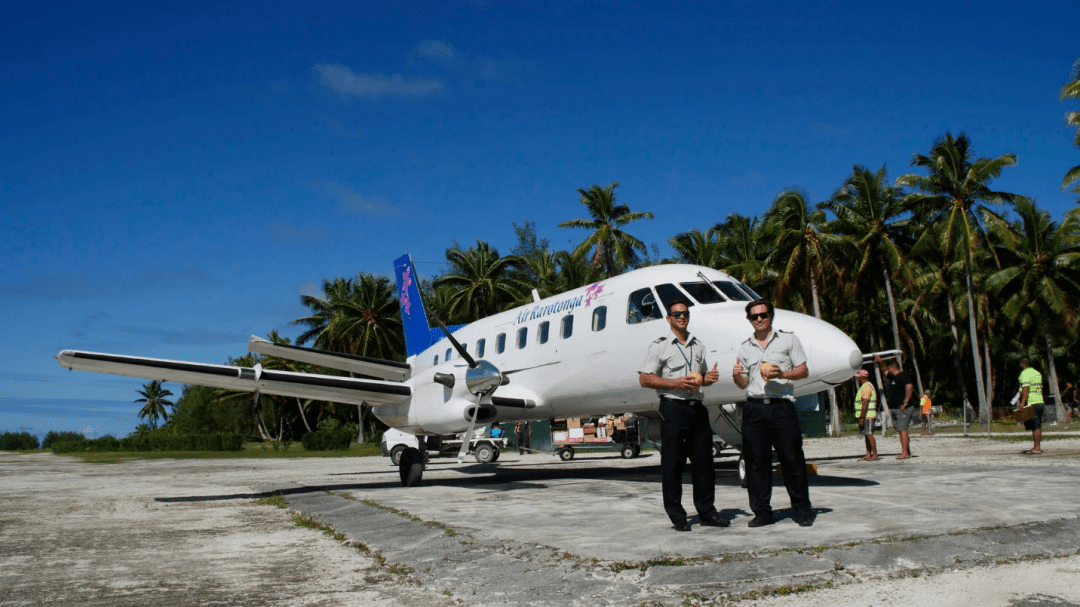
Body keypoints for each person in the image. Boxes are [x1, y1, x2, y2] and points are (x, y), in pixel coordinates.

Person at [639, 299, 725, 532]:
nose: (681, 316)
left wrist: (709, 378)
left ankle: (707, 512)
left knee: (704, 464)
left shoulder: (698, 346)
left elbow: (702, 376)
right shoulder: (660, 346)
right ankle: (678, 516)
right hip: (673, 407)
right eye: (676, 313)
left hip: (697, 408)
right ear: (668, 319)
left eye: (685, 313)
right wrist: (675, 382)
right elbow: (645, 378)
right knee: (673, 465)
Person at [732, 299, 813, 528]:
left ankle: (802, 510)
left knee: (792, 460)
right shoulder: (745, 347)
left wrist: (783, 374)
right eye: (754, 316)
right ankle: (762, 512)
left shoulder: (788, 339)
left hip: (781, 407)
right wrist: (737, 376)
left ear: (771, 316)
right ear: (749, 319)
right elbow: (743, 383)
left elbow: (803, 371)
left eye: (763, 315)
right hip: (754, 408)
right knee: (756, 463)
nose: (759, 319)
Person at [875, 355, 915, 459]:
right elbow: (884, 369)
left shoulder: (902, 376)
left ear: (892, 368)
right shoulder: (892, 377)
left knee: (903, 430)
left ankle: (905, 453)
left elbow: (909, 387)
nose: (887, 371)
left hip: (902, 408)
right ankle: (906, 451)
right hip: (894, 407)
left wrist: (905, 402)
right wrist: (880, 360)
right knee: (901, 430)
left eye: (889, 369)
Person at [1018, 358, 1045, 454]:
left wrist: (1022, 403)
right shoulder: (1037, 373)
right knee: (1035, 425)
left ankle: (1037, 448)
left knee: (1036, 425)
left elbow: (1025, 389)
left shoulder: (1025, 374)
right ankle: (1035, 446)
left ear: (1022, 364)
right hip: (1040, 401)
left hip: (1032, 402)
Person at [855, 370, 878, 461]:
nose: (857, 377)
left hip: (868, 415)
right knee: (866, 434)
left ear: (862, 377)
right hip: (866, 415)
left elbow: (865, 402)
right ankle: (868, 454)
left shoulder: (866, 387)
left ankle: (874, 454)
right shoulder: (865, 386)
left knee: (869, 434)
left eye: (858, 376)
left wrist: (862, 417)